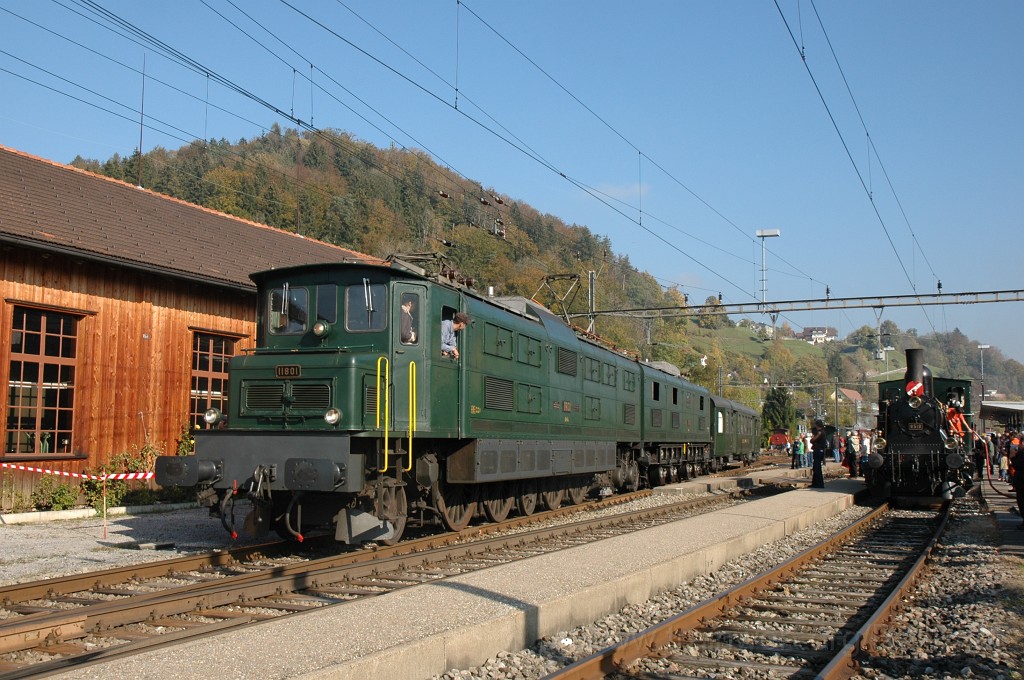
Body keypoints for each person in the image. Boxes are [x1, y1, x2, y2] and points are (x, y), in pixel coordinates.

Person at [810, 420, 828, 488]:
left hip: (818, 450)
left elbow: (813, 440)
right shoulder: (822, 431)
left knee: (817, 468)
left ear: (817, 425)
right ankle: (815, 483)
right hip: (819, 450)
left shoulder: (820, 432)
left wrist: (812, 439)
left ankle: (819, 484)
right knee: (815, 467)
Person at [1011, 445, 1024, 529]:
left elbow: (1017, 464)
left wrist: (1012, 456)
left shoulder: (1022, 454)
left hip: (1022, 482)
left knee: (1022, 502)